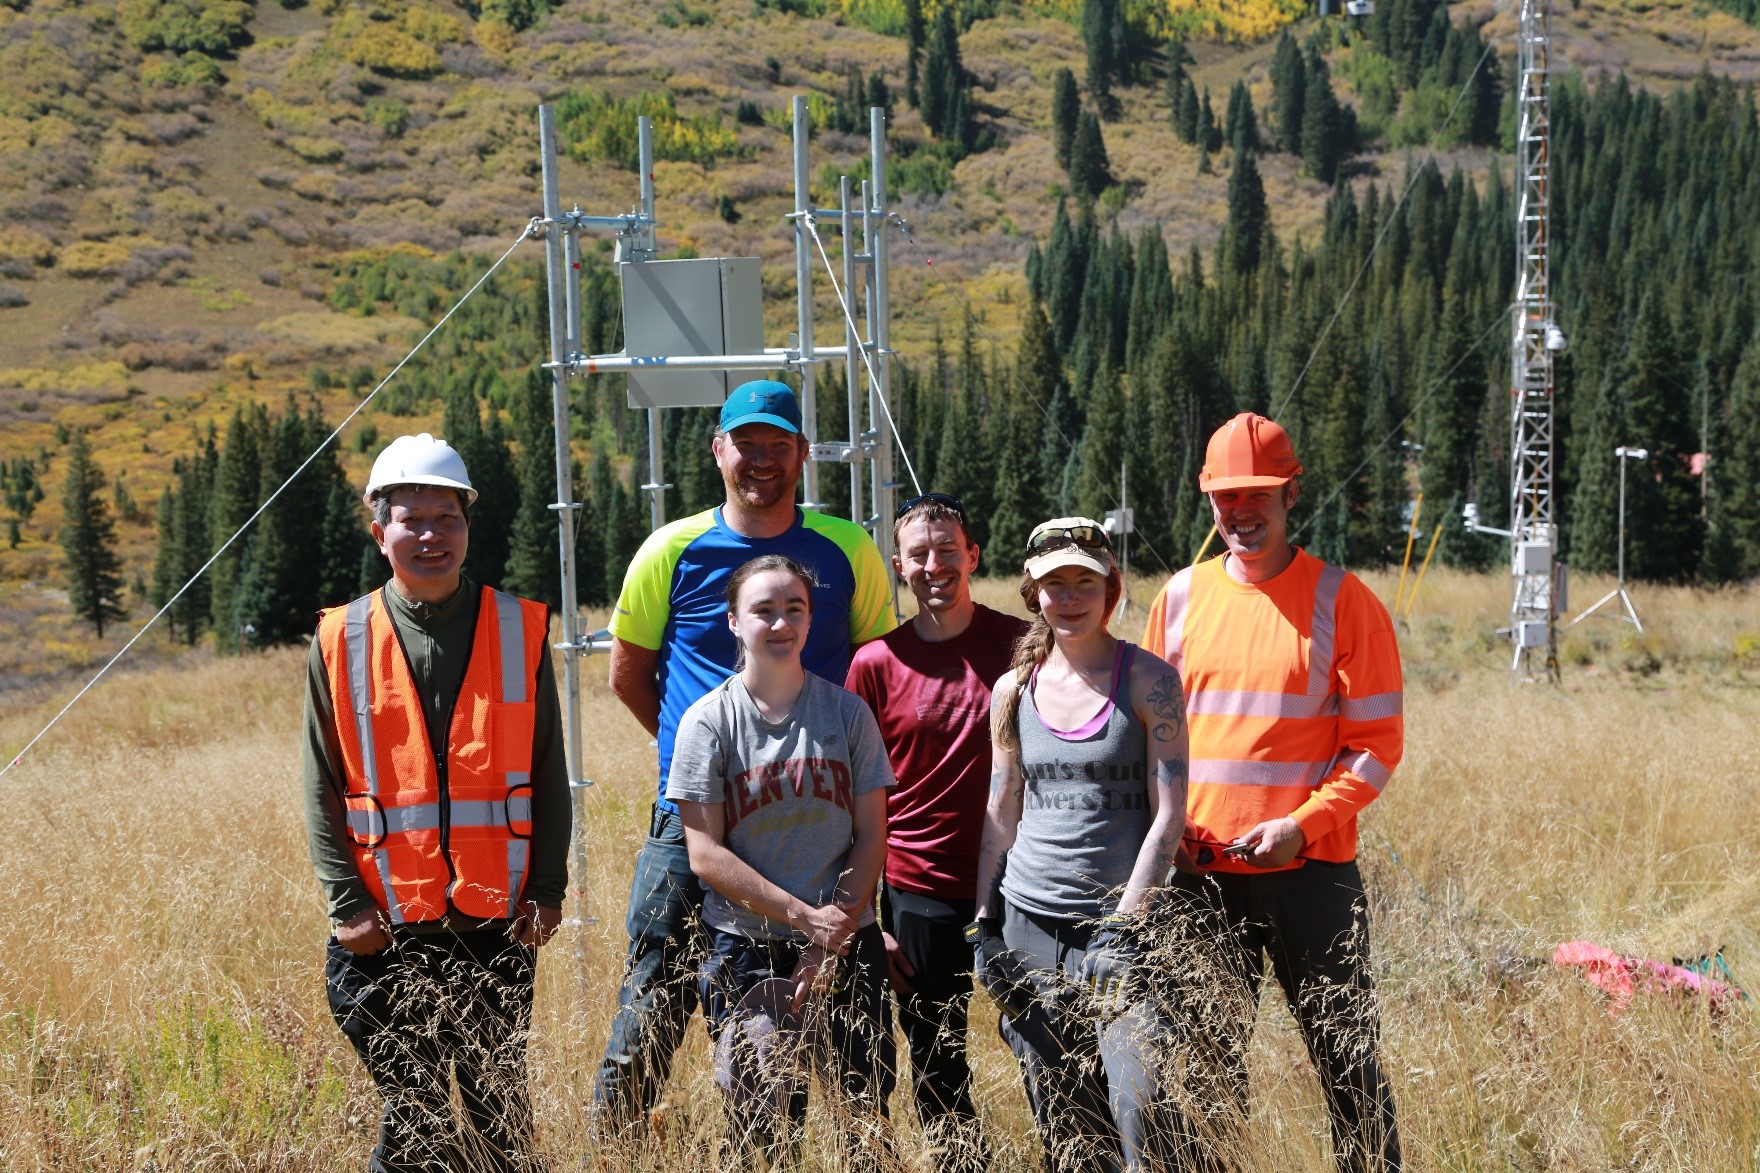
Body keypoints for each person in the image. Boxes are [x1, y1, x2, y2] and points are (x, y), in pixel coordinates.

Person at [595, 380, 896, 1131]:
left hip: (814, 824)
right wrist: (699, 764)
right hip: (689, 821)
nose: (763, 459)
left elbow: (876, 669)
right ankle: (619, 1144)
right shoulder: (671, 549)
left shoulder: (849, 548)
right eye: (747, 443)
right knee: (651, 1004)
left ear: (801, 453)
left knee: (836, 1013)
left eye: (779, 444)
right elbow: (628, 674)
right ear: (718, 449)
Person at [1140, 412, 1404, 1172]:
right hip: (1200, 878)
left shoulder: (1344, 601)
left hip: (1310, 874)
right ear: (1208, 500)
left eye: (1258, 495)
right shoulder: (1180, 599)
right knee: (1203, 1076)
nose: (1241, 512)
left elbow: (1376, 747)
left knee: (1349, 1064)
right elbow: (1155, 738)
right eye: (1226, 497)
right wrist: (1171, 828)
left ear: (1293, 494)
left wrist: (1305, 824)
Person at [303, 432, 569, 1172]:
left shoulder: (518, 627)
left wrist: (548, 886)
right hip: (384, 926)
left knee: (499, 1120)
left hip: (496, 920)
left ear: (468, 524)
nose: (430, 535)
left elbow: (548, 767)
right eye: (411, 518)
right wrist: (345, 902)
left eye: (446, 518)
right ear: (377, 527)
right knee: (415, 1121)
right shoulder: (339, 637)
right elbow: (318, 784)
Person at [969, 517, 1191, 1173]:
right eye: (1053, 583)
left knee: (1139, 1110)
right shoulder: (1013, 691)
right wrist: (982, 924)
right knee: (1064, 1121)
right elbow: (1002, 806)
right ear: (1031, 591)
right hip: (1031, 928)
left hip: (1125, 932)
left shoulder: (1150, 682)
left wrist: (1127, 922)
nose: (1069, 597)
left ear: (1111, 588)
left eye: (1084, 582)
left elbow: (1170, 813)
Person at [668, 554, 896, 1166]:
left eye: (793, 608)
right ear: (734, 622)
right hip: (748, 950)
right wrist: (803, 919)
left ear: (811, 619)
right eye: (762, 610)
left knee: (866, 1115)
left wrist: (829, 938)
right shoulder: (708, 723)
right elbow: (706, 854)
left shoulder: (846, 714)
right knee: (760, 1130)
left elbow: (872, 834)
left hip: (848, 942)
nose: (780, 623)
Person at [844, 493, 1028, 1172]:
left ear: (973, 556)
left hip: (1018, 888)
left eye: (948, 549)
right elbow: (855, 805)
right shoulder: (874, 665)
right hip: (918, 893)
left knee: (1049, 1045)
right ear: (898, 566)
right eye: (918, 554)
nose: (934, 564)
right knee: (938, 1063)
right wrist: (868, 918)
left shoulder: (1021, 645)